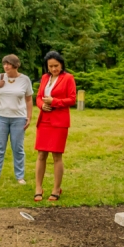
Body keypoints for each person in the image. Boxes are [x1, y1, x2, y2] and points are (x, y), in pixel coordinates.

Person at [34, 51, 76, 202]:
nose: (53, 69)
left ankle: (56, 188)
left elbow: (72, 99)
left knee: (57, 156)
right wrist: (41, 105)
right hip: (44, 120)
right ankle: (38, 187)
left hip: (59, 121)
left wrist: (54, 102)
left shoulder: (68, 78)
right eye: (50, 66)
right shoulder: (45, 78)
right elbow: (39, 96)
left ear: (62, 64)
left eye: (56, 66)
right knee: (41, 154)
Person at [0, 54, 33, 186]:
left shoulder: (25, 80)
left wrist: (29, 117)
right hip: (1, 117)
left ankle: (20, 176)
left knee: (17, 148)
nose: (6, 66)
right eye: (4, 64)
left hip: (18, 118)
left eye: (8, 64)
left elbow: (29, 99)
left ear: (15, 65)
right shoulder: (0, 77)